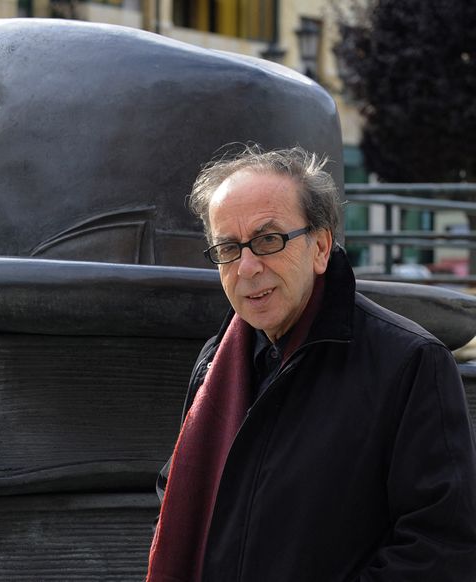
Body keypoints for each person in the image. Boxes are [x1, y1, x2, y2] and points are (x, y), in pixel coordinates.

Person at [146, 145, 476, 582]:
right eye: (227, 248)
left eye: (268, 240)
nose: (246, 268)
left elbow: (442, 547)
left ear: (321, 247)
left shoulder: (411, 362)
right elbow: (178, 501)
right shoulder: (214, 364)